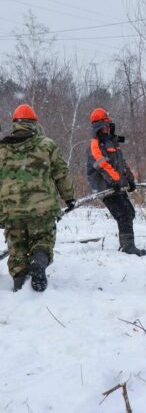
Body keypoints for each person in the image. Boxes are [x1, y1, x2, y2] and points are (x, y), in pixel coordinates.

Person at [0, 104, 75, 292]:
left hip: (11, 211)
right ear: (34, 122)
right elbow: (61, 174)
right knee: (43, 239)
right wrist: (69, 198)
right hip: (42, 208)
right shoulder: (47, 145)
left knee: (16, 249)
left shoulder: (2, 149)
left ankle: (19, 284)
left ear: (15, 124)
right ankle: (38, 262)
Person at [87, 108, 146, 256]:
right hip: (105, 186)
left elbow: (121, 163)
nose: (107, 128)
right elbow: (103, 166)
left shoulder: (113, 142)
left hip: (117, 185)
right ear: (98, 127)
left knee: (130, 212)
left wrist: (129, 177)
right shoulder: (95, 145)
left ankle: (126, 243)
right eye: (104, 126)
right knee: (123, 214)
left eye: (108, 125)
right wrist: (116, 180)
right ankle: (128, 247)